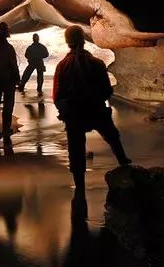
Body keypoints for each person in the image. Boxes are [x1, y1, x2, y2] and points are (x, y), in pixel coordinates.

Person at [53, 26, 131, 189]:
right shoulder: (97, 63)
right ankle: (124, 163)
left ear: (68, 42)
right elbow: (107, 90)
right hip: (96, 110)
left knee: (76, 150)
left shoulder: (62, 65)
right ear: (83, 41)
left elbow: (58, 95)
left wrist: (64, 111)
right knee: (112, 137)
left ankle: (79, 188)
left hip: (74, 114)